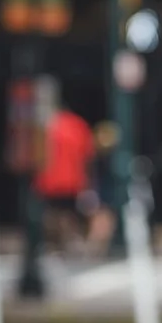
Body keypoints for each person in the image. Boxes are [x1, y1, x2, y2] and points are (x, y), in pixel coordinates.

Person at [36, 102, 96, 252]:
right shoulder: (78, 125)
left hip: (49, 180)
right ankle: (68, 240)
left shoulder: (47, 127)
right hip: (73, 180)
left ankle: (56, 243)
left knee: (52, 213)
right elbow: (88, 155)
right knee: (70, 212)